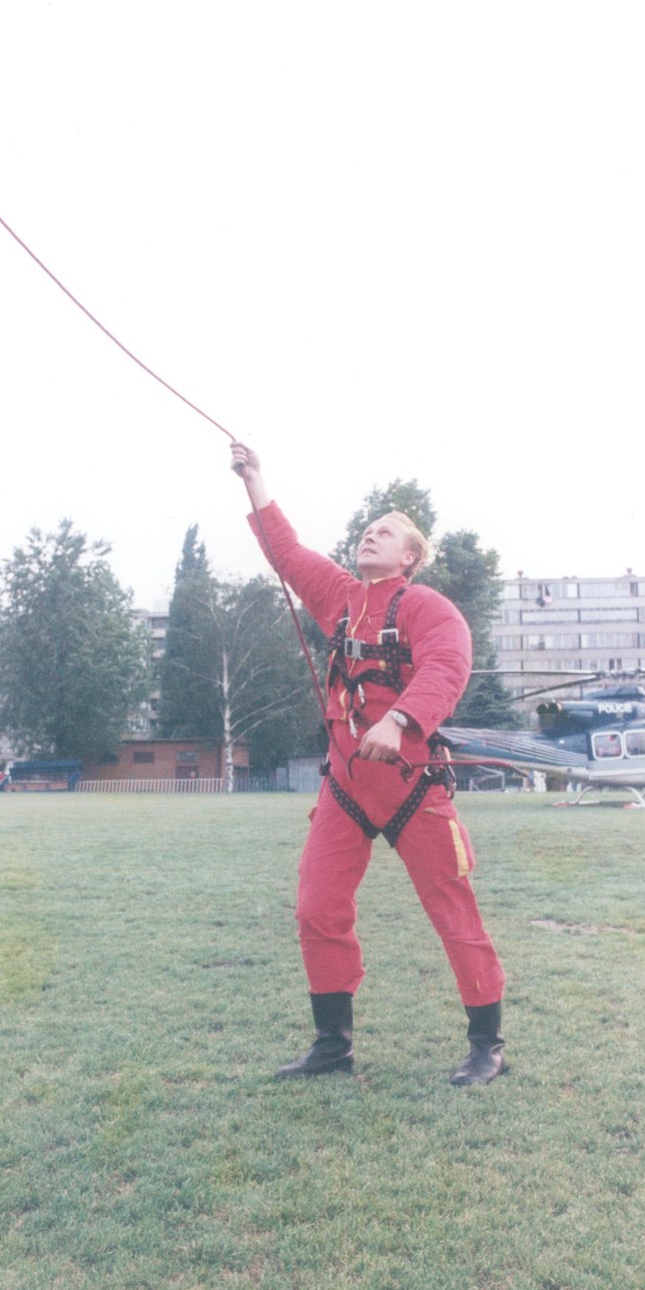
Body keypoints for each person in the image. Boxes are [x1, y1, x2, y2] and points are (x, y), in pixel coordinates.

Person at [231, 442, 507, 1086]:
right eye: (366, 529)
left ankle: (487, 1045)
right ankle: (333, 1044)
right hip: (346, 788)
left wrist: (402, 718)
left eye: (386, 532)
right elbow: (287, 555)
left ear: (409, 556)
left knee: (452, 909)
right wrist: (256, 480)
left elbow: (448, 663)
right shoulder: (339, 596)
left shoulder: (425, 606)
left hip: (413, 786)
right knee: (316, 909)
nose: (370, 534)